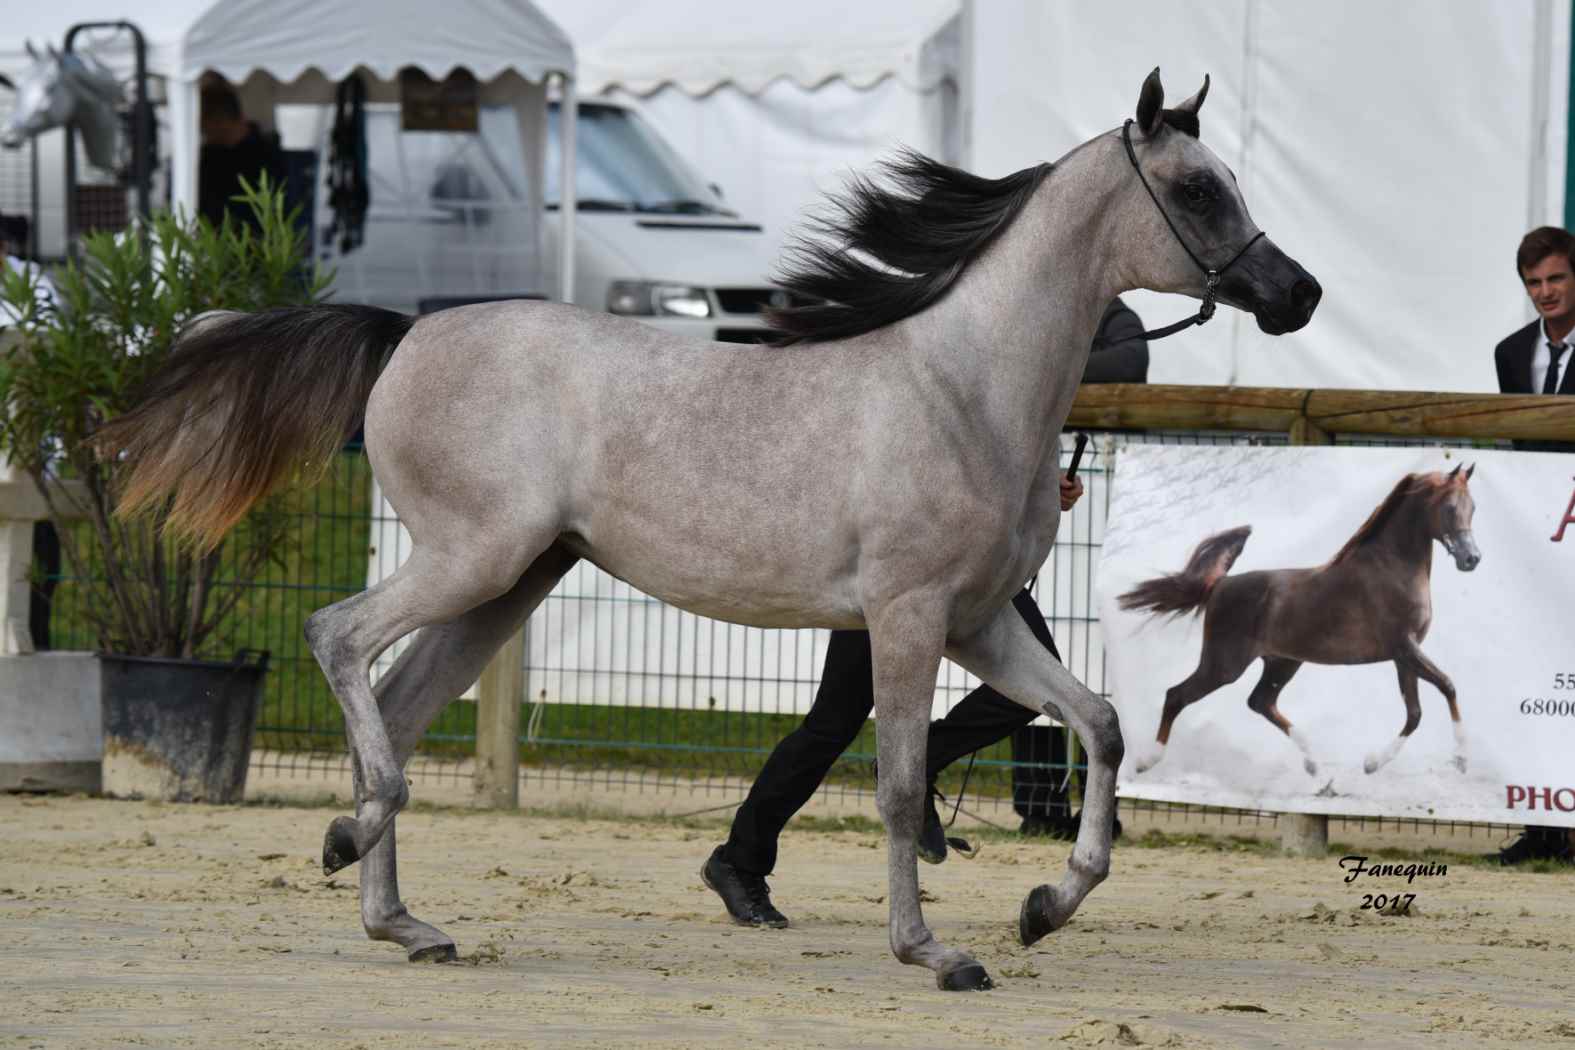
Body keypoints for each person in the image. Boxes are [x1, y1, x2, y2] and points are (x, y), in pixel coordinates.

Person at [702, 471, 1090, 927]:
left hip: (976, 568)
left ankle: (919, 761)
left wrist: (1042, 491)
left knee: (1035, 690)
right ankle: (738, 861)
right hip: (902, 570)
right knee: (833, 724)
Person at [1491, 226, 1575, 864]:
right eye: (1534, 284)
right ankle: (1542, 824)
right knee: (1535, 672)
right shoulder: (1511, 352)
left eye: (1555, 279)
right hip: (1535, 536)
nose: (1545, 292)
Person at [197, 79, 285, 232]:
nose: (202, 132)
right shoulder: (208, 156)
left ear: (219, 120)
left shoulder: (266, 157)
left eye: (204, 126)